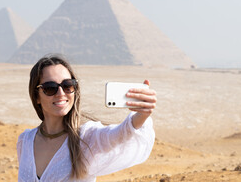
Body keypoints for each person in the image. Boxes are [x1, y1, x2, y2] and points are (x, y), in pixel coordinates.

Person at [17, 54, 157, 182]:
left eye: (67, 85)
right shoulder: (25, 141)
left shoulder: (86, 138)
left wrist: (141, 115)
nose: (60, 93)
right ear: (36, 97)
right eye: (50, 87)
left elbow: (120, 134)